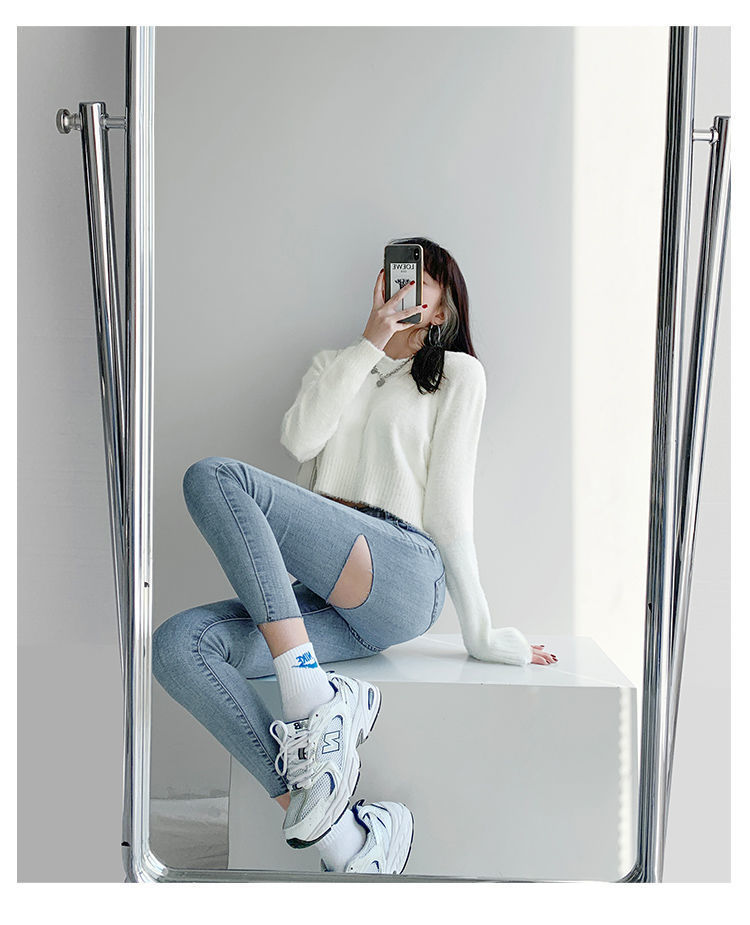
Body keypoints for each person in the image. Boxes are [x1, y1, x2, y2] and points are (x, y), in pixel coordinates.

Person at [152, 236, 558, 877]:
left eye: (422, 282)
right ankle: (346, 839)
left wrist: (479, 631)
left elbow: (449, 511)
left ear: (444, 305)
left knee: (215, 476)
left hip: (403, 571)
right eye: (396, 276)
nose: (405, 288)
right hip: (327, 597)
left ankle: (311, 700)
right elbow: (299, 440)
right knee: (178, 646)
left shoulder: (457, 374)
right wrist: (370, 342)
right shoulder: (335, 364)